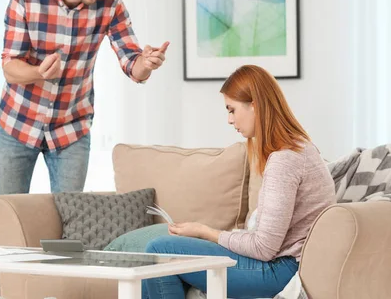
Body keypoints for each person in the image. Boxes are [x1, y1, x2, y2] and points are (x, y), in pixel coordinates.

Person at [0, 0, 169, 195]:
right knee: (10, 218)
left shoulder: (110, 5)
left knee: (71, 221)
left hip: (71, 129)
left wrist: (146, 63)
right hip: (18, 124)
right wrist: (38, 72)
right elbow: (10, 68)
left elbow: (132, 63)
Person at [143, 65, 336, 299]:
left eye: (232, 110)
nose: (229, 119)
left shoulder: (285, 159)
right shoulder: (301, 148)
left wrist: (206, 232)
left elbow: (263, 248)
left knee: (159, 250)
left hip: (281, 270)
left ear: (254, 105)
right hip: (287, 264)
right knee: (166, 253)